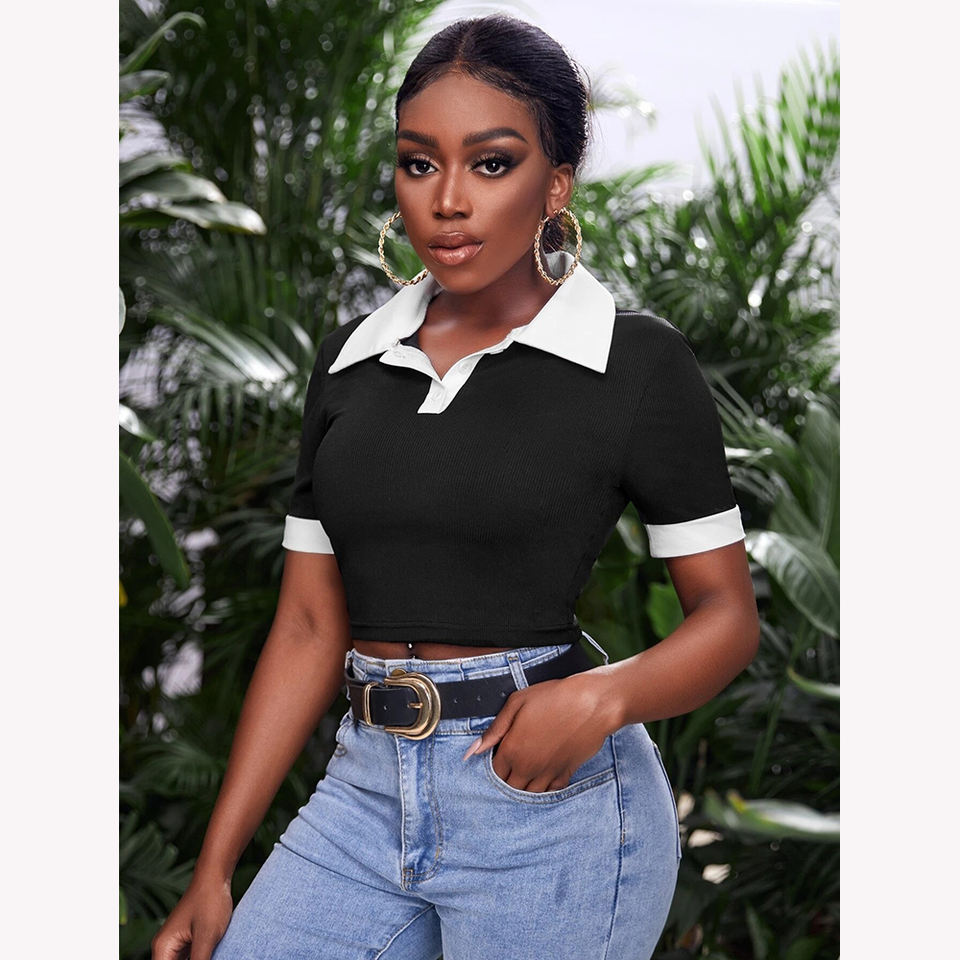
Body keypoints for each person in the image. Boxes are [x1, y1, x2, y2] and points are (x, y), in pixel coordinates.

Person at [152, 13, 759, 960]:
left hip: (549, 806)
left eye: (491, 163)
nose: (446, 201)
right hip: (361, 791)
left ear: (554, 184)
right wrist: (215, 869)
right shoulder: (351, 361)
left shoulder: (633, 363)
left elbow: (727, 619)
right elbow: (308, 625)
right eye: (419, 163)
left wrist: (601, 699)